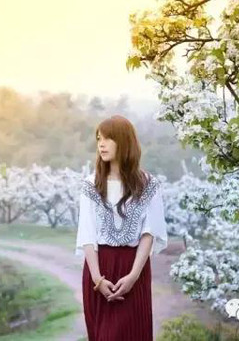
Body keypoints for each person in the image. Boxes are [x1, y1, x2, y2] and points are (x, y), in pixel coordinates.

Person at [75, 115, 168, 340]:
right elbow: (87, 234)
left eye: (108, 138)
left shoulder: (148, 184)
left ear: (125, 142)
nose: (101, 144)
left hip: (133, 269)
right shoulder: (91, 185)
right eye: (99, 139)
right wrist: (98, 280)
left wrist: (133, 276)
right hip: (99, 270)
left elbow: (149, 234)